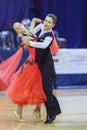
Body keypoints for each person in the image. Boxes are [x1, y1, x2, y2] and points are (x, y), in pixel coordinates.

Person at [5, 21, 46, 122]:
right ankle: (19, 111)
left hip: (37, 63)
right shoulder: (24, 37)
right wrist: (33, 23)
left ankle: (37, 110)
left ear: (22, 25)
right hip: (32, 64)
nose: (20, 27)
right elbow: (30, 42)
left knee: (39, 87)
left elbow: (38, 28)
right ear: (17, 32)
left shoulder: (30, 32)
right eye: (17, 28)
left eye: (19, 25)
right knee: (24, 88)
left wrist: (41, 22)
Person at [24, 14, 61, 124]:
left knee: (46, 89)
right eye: (46, 21)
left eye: (49, 22)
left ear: (53, 25)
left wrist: (30, 43)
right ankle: (53, 111)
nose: (46, 23)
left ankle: (51, 113)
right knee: (43, 89)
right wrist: (30, 32)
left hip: (47, 64)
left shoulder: (50, 36)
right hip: (39, 62)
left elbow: (44, 45)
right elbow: (31, 34)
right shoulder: (41, 27)